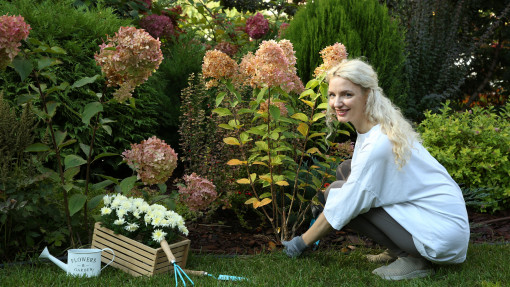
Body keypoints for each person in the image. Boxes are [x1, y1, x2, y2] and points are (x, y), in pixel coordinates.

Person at [282, 59, 470, 281]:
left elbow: (344, 205)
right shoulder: (379, 128)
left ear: (367, 95)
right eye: (332, 95)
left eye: (347, 94)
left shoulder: (379, 143)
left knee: (336, 193)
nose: (337, 103)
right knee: (346, 170)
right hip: (442, 226)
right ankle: (397, 248)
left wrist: (299, 243)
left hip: (439, 234)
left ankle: (412, 258)